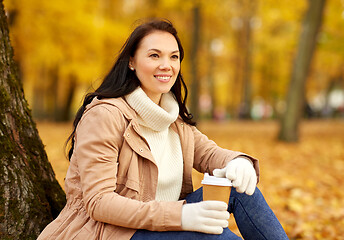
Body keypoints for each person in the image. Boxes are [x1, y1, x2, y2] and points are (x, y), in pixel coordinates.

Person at [37, 19, 288, 240]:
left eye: (174, 56)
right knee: (214, 237)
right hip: (112, 231)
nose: (166, 65)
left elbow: (210, 153)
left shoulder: (173, 118)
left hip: (164, 223)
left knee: (239, 189)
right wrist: (180, 215)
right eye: (154, 55)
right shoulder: (105, 116)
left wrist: (238, 162)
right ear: (132, 62)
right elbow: (99, 203)